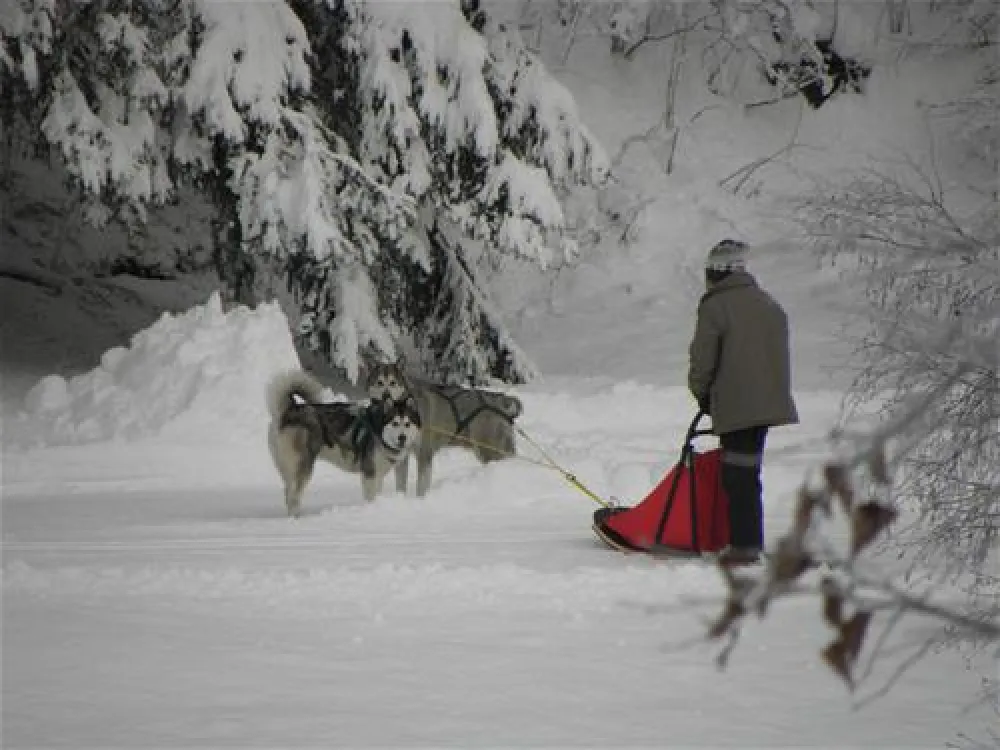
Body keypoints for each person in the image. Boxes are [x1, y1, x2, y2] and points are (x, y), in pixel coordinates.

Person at [687, 239, 799, 564]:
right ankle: (746, 542)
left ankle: (745, 547)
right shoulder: (768, 304)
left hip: (737, 404)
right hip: (766, 404)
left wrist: (703, 395)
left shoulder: (716, 306)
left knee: (738, 477)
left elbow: (702, 359)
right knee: (747, 474)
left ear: (715, 272)